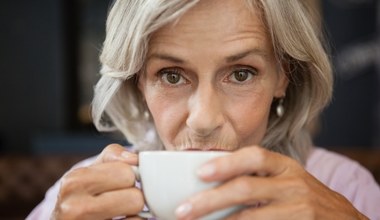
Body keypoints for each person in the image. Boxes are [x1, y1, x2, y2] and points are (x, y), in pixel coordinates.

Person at [28, 0, 380, 219]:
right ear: (138, 83)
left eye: (241, 74)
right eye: (171, 75)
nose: (203, 120)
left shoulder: (344, 187)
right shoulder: (83, 200)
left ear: (282, 78)